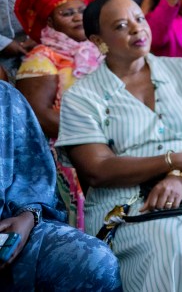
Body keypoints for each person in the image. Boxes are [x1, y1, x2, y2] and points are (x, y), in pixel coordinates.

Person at [56, 0, 182, 291]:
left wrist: (178, 174)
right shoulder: (82, 96)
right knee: (171, 241)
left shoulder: (181, 70)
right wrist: (176, 159)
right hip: (129, 203)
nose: (137, 28)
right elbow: (97, 169)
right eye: (121, 25)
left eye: (139, 18)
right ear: (98, 41)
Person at [0, 80, 123, 291]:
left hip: (6, 233)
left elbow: (33, 178)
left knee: (94, 260)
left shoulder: (5, 98)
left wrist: (27, 217)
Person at [14, 0, 101, 230]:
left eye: (81, 10)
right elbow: (39, 117)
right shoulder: (41, 57)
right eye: (67, 13)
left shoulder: (97, 48)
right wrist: (93, 136)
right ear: (50, 21)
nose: (77, 17)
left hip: (104, 141)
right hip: (66, 150)